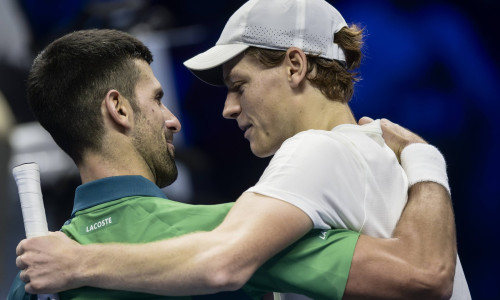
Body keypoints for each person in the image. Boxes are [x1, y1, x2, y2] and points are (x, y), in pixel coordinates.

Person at [12, 22, 454, 300]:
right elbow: (421, 273)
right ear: (119, 108)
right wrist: (423, 157)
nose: (173, 120)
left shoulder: (33, 276)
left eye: (239, 86)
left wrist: (75, 264)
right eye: (159, 99)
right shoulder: (238, 231)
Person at [183, 0, 470, 299]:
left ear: (294, 67)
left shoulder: (316, 149)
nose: (228, 108)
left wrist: (127, 260)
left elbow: (219, 261)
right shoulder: (388, 159)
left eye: (240, 85)